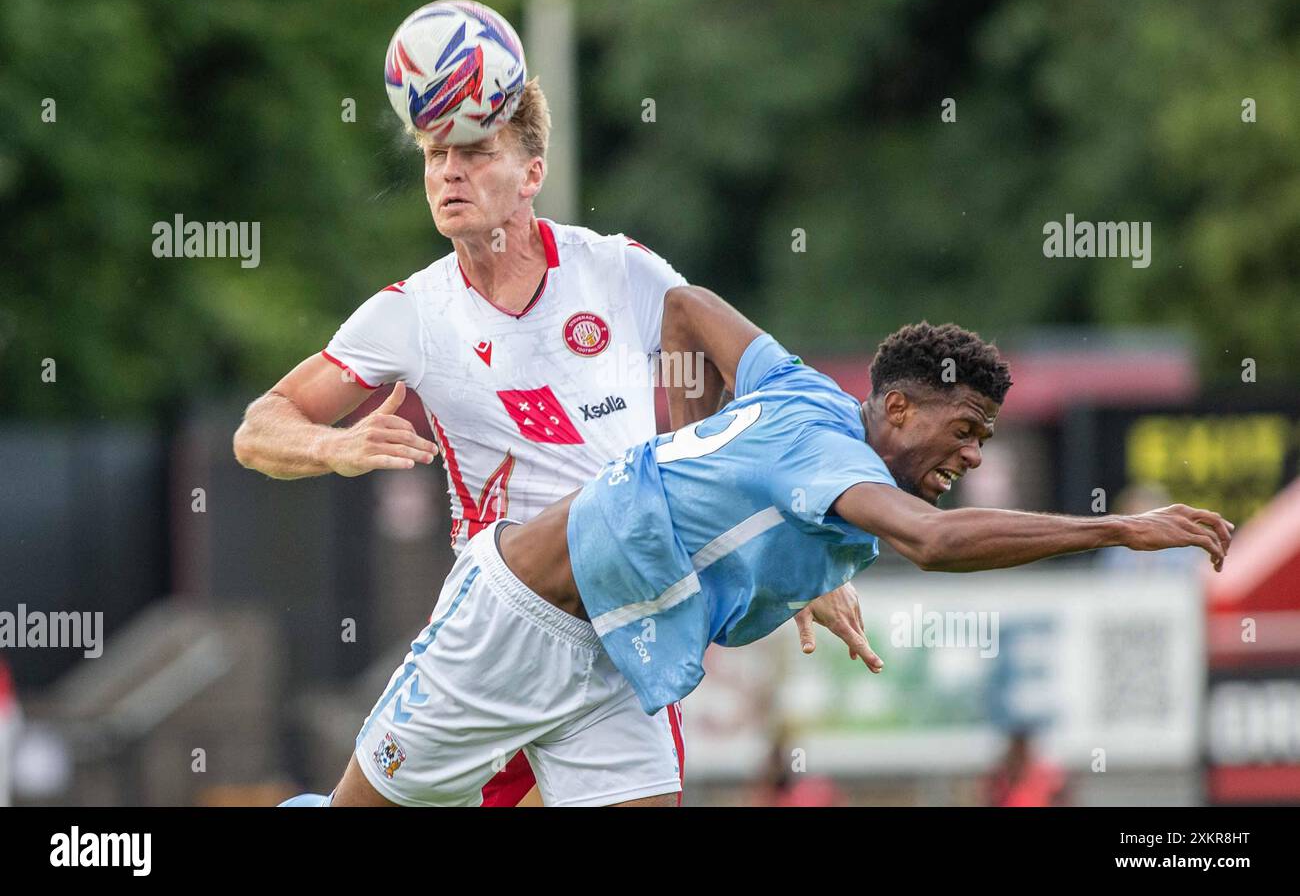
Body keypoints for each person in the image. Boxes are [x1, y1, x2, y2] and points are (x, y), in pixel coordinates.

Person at [324, 288, 1232, 806]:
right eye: (966, 429)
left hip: (617, 669)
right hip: (522, 618)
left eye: (987, 437)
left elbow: (682, 308)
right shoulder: (833, 456)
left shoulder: (795, 385)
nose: (974, 453)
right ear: (900, 409)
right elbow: (935, 543)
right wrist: (1118, 526)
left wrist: (682, 454)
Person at [234, 79, 861, 807]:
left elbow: (740, 393)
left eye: (474, 153)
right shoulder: (410, 313)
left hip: (627, 620)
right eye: (436, 157)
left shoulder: (618, 269)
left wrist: (802, 538)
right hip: (501, 619)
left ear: (533, 173)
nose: (448, 174)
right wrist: (329, 448)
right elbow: (260, 426)